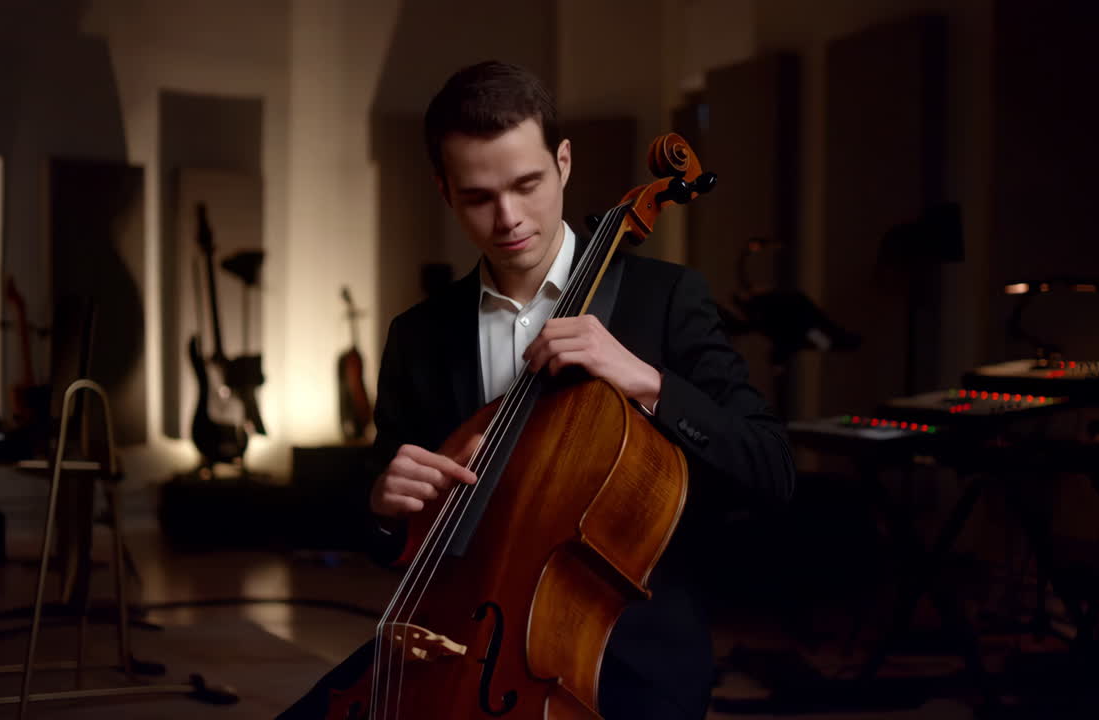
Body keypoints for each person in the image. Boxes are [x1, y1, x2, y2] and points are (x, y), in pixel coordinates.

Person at [279, 60, 794, 720]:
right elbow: (385, 534)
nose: (509, 218)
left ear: (565, 161)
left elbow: (772, 467)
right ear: (445, 191)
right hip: (456, 638)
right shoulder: (420, 335)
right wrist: (384, 503)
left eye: (527, 185)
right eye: (478, 197)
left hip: (622, 649)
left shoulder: (664, 301)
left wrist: (645, 380)